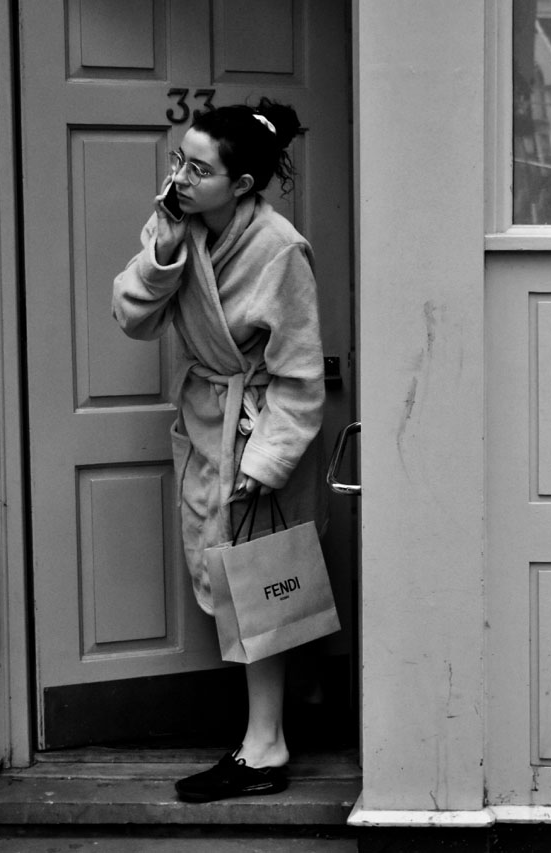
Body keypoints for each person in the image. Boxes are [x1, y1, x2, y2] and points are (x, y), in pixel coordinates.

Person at [112, 98, 325, 802]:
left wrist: (263, 466)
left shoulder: (281, 251)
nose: (178, 177)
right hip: (206, 419)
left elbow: (300, 378)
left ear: (240, 184)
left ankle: (265, 746)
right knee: (227, 575)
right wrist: (165, 253)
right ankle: (261, 739)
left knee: (258, 578)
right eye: (177, 160)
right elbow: (132, 318)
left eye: (197, 169)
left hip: (255, 426)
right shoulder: (176, 224)